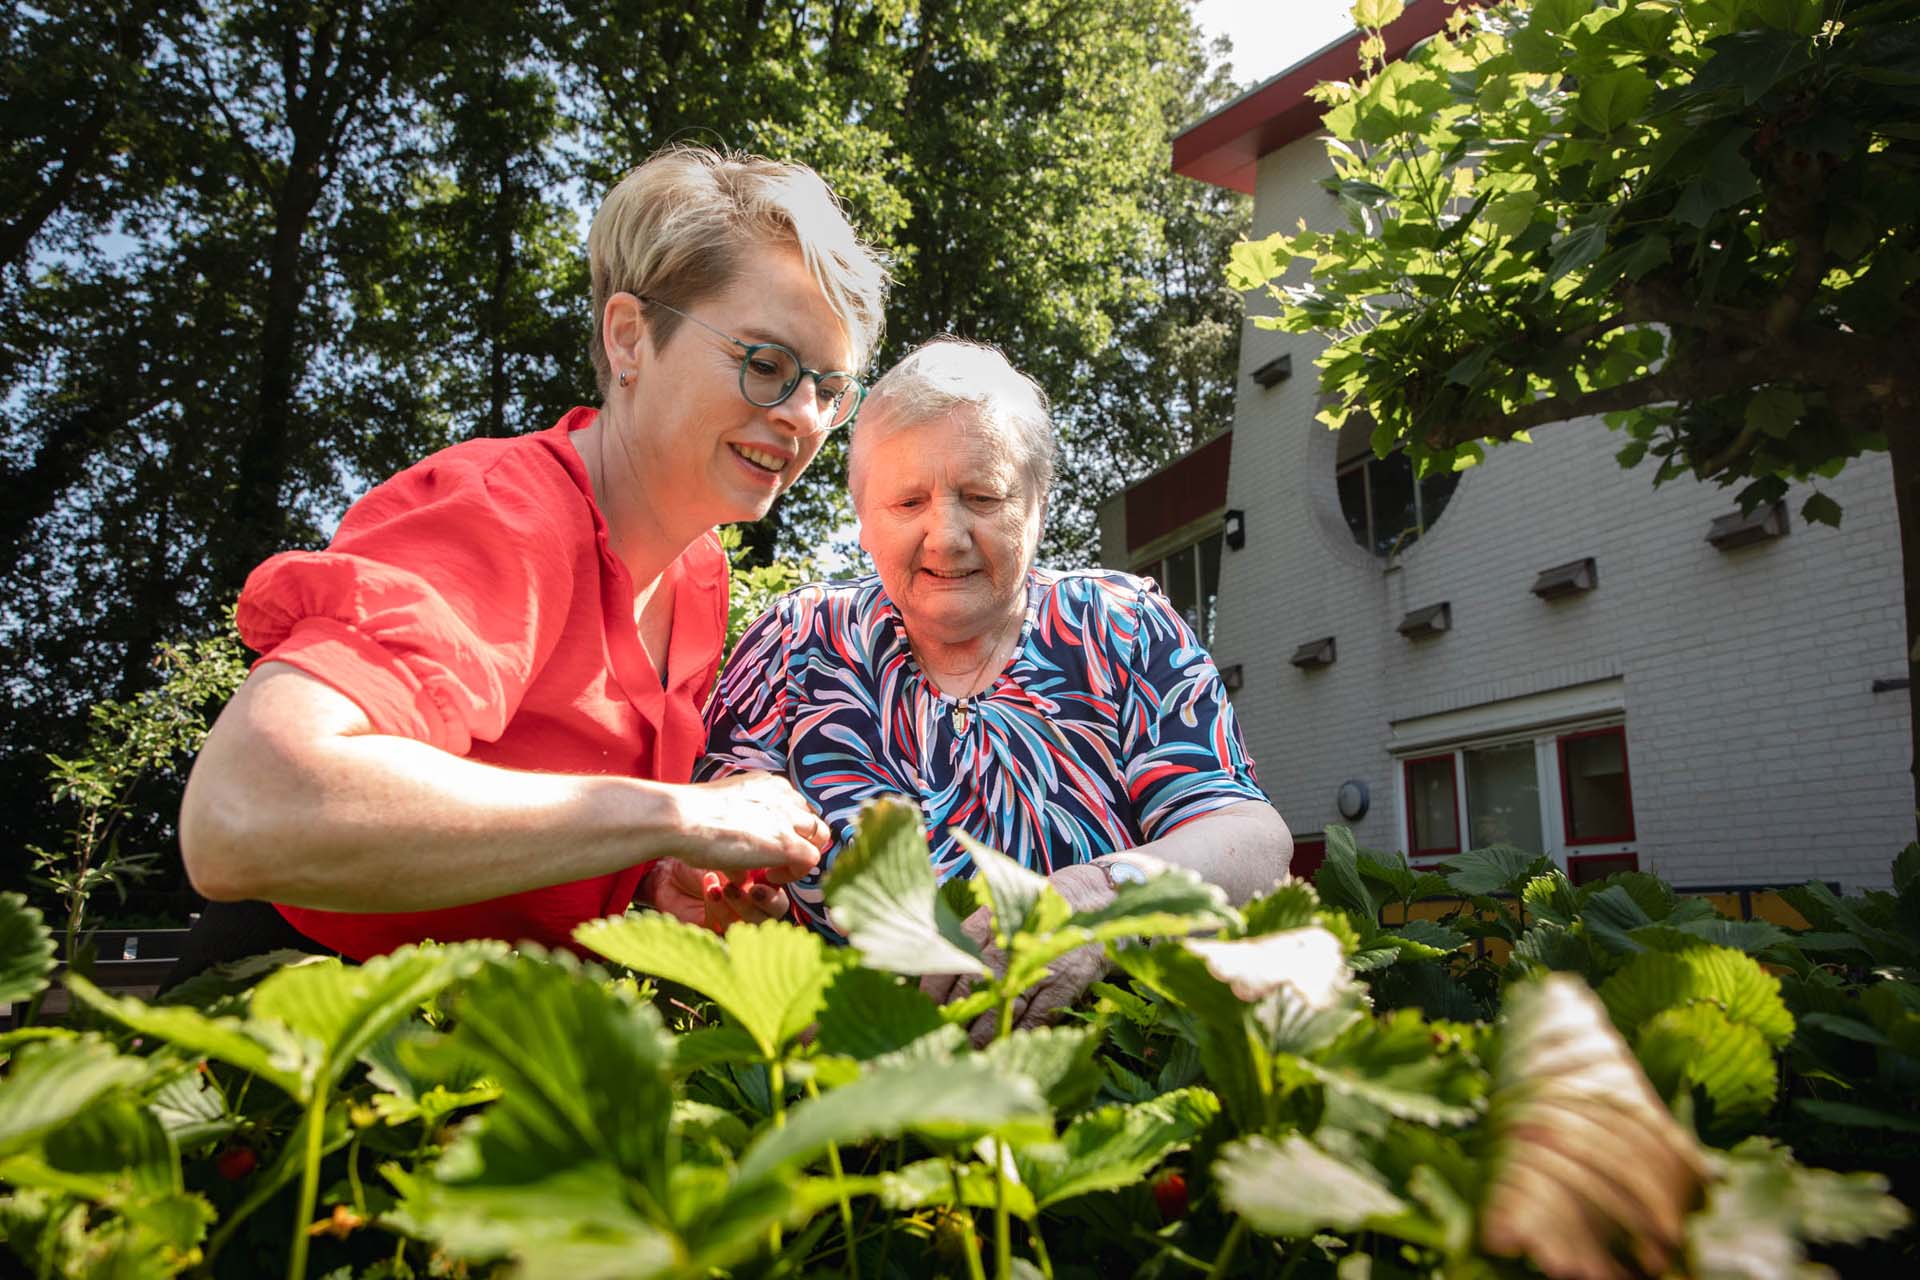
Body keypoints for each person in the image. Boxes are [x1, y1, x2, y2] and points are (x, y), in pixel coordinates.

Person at [172, 146, 888, 976]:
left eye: (830, 389)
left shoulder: (698, 576)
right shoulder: (504, 513)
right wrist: (677, 814)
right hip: (307, 1022)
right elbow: (243, 812)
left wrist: (650, 884)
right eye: (766, 364)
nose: (803, 415)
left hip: (498, 1041)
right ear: (630, 338)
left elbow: (536, 833)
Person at [698, 337, 1291, 1036]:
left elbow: (1251, 843)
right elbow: (705, 840)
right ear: (862, 519)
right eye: (907, 501)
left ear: (1037, 504)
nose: (945, 535)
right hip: (833, 1092)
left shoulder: (1123, 628)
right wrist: (723, 891)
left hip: (1103, 1071)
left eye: (982, 496)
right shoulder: (795, 644)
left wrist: (1093, 899)